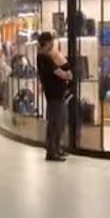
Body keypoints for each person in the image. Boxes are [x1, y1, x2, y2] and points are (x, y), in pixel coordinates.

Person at [37, 32, 72, 161]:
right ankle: (52, 151)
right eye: (51, 42)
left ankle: (56, 148)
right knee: (55, 123)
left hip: (56, 94)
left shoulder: (46, 56)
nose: (53, 44)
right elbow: (58, 71)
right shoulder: (44, 57)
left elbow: (64, 66)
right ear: (46, 42)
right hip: (54, 94)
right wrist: (67, 75)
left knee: (59, 122)